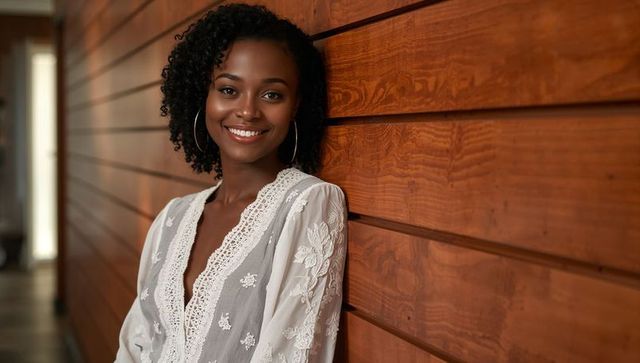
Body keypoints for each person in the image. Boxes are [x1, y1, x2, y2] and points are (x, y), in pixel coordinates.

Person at [115, 4, 347, 363]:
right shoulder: (172, 219)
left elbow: (289, 354)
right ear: (201, 97)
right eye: (228, 90)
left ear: (296, 106)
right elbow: (134, 345)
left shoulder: (308, 205)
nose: (248, 111)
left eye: (272, 94)